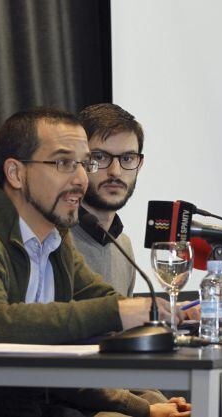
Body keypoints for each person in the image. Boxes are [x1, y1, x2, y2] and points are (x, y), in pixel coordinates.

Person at [0, 107, 190, 417]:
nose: (80, 179)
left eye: (83, 163)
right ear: (15, 173)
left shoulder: (55, 240)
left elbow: (100, 301)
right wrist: (118, 312)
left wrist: (172, 318)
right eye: (63, 163)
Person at [71, 104, 145, 296]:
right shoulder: (52, 240)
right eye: (100, 157)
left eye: (127, 158)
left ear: (139, 165)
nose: (115, 172)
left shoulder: (123, 246)